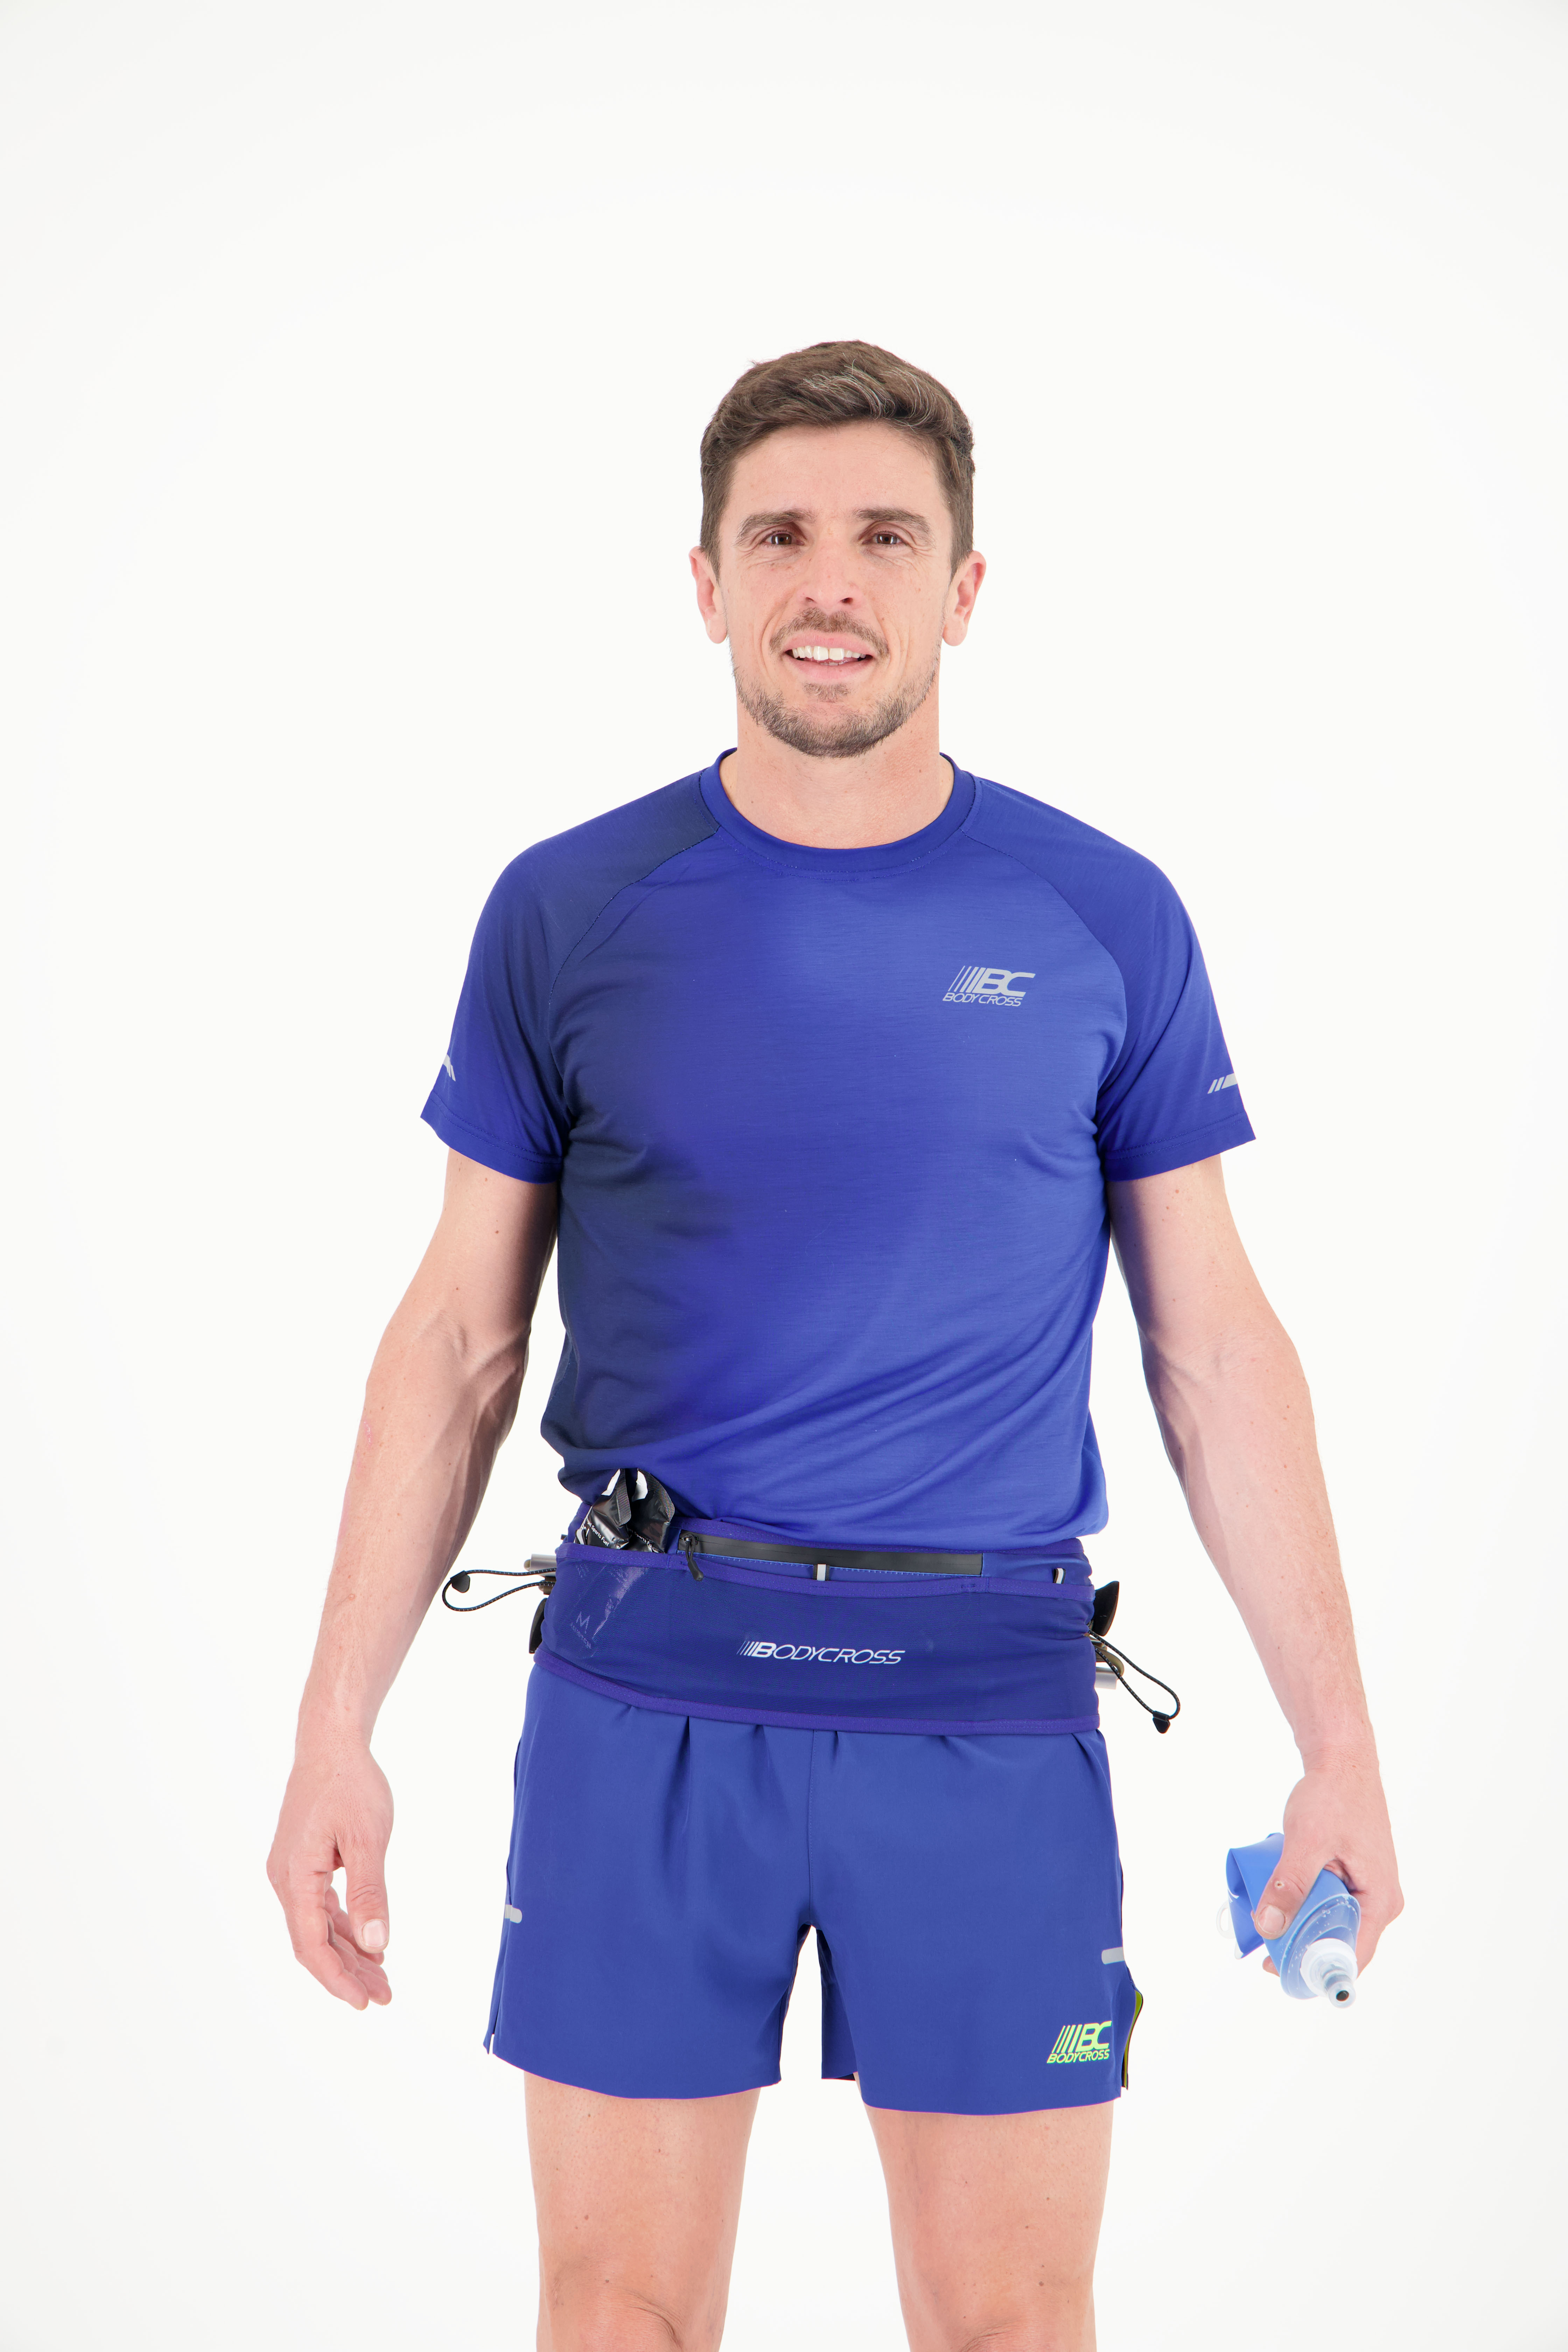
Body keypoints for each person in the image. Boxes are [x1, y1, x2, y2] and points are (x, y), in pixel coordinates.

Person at [268, 341, 1401, 2352]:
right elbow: (455, 1336)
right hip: (648, 1690)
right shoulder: (568, 908)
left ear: (965, 586)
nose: (830, 582)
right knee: (616, 2315)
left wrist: (1345, 1750)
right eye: (780, 534)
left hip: (985, 1709)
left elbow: (1217, 1350)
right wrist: (331, 1728)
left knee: (1012, 2325)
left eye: (886, 535)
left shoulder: (1104, 915)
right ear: (705, 580)